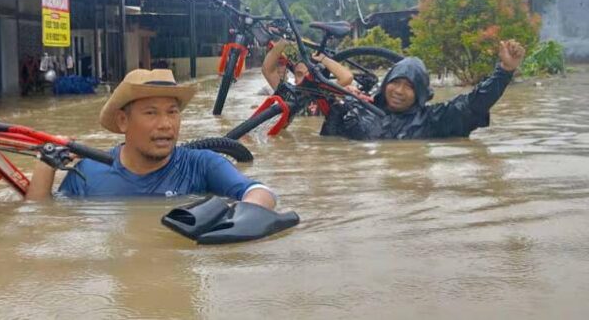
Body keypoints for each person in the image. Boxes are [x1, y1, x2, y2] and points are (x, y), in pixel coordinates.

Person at [26, 68, 277, 209]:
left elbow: (259, 192)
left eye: (172, 112)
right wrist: (45, 165)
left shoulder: (202, 165)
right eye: (151, 113)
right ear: (123, 121)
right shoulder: (88, 173)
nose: (166, 124)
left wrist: (237, 220)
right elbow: (42, 222)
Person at [320, 40, 526, 140]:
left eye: (409, 86)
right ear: (385, 84)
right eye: (395, 82)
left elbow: (474, 104)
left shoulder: (433, 120)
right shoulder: (358, 109)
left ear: (420, 93)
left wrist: (504, 71)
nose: (399, 91)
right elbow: (328, 148)